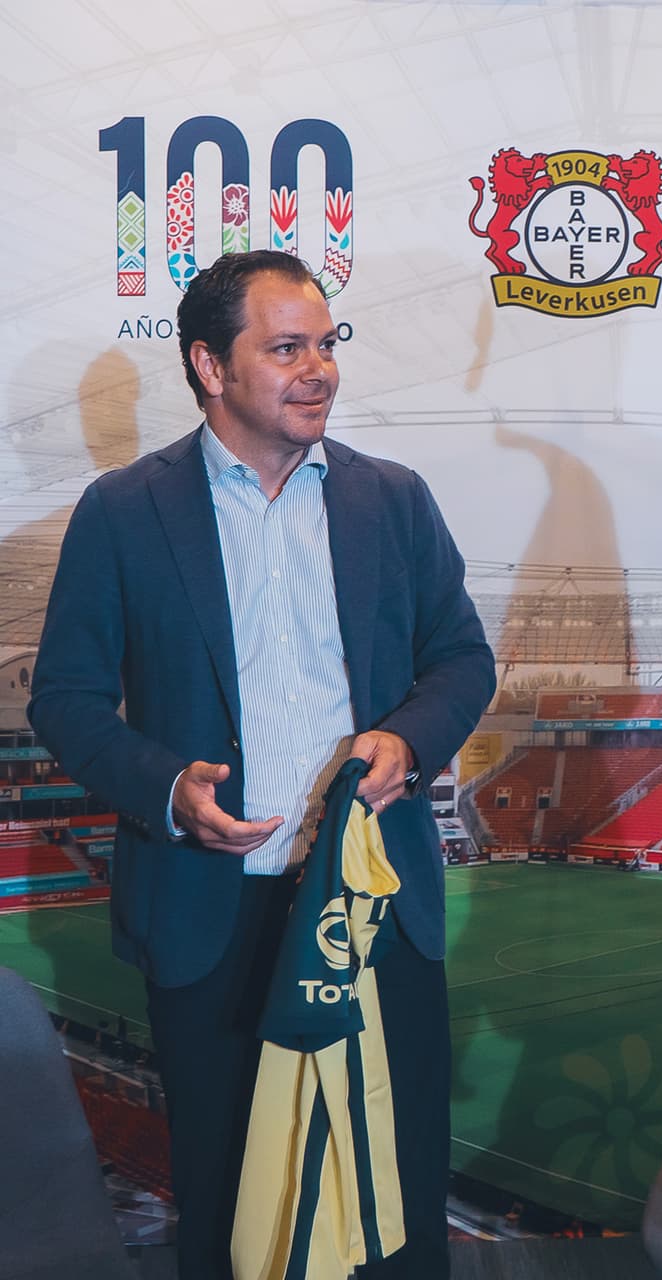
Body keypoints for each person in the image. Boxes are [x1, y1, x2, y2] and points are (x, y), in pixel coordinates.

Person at [29, 249, 496, 1279]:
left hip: (369, 902)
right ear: (208, 365)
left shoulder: (393, 499)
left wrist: (408, 738)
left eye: (326, 343)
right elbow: (62, 697)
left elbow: (462, 658)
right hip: (208, 914)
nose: (317, 367)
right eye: (286, 347)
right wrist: (165, 785)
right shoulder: (123, 511)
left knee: (392, 1202)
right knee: (236, 1204)